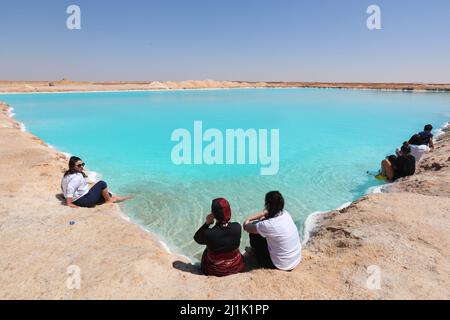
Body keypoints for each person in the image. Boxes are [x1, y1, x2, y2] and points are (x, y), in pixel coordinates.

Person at [243, 191, 301, 271]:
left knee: (255, 229)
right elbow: (266, 213)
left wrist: (247, 220)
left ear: (268, 205)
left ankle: (254, 252)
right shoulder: (285, 214)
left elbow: (247, 227)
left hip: (280, 265)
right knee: (261, 225)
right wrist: (253, 218)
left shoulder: (268, 225)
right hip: (295, 259)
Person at [193, 198, 245, 277]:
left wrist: (207, 223)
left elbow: (197, 238)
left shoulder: (209, 233)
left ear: (213, 214)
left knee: (208, 248)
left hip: (214, 271)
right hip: (236, 268)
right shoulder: (237, 227)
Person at [61, 156, 132, 208]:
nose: (82, 167)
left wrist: (67, 197)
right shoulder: (77, 177)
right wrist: (69, 203)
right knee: (102, 183)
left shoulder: (67, 174)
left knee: (108, 195)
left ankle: (113, 198)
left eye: (83, 164)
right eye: (79, 165)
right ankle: (109, 201)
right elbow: (70, 187)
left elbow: (63, 187)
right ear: (73, 166)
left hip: (78, 199)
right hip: (84, 200)